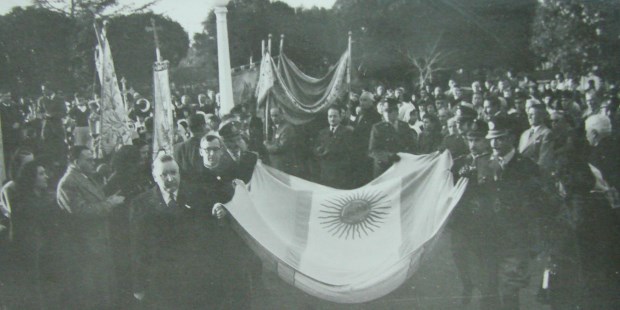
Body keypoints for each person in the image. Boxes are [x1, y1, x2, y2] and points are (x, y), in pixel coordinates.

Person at [130, 154, 226, 309]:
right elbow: (138, 246)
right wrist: (139, 284)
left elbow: (212, 235)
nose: (170, 178)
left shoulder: (199, 195)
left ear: (179, 172)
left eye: (173, 173)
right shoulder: (141, 204)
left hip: (195, 278)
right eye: (164, 174)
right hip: (161, 280)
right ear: (155, 177)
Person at [481, 115, 549, 309]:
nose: (494, 143)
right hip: (491, 238)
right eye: (491, 138)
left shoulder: (526, 167)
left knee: (509, 290)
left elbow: (536, 207)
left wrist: (534, 240)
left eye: (499, 138)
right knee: (490, 289)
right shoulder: (486, 165)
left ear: (511, 138)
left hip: (517, 239)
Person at [56, 146, 125, 309]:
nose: (93, 162)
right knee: (92, 294)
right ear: (75, 162)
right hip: (84, 247)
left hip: (98, 243)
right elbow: (80, 212)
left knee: (104, 292)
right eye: (88, 159)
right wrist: (110, 203)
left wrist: (109, 200)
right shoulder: (69, 183)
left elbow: (93, 203)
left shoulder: (85, 177)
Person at [449, 119, 493, 307]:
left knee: (484, 259)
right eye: (470, 140)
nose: (473, 144)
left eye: (478, 140)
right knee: (459, 253)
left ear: (487, 140)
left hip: (486, 221)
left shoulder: (493, 162)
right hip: (462, 220)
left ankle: (485, 294)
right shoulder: (461, 162)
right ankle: (467, 285)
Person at [7, 160, 60, 309]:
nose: (46, 177)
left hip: (46, 251)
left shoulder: (44, 196)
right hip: (32, 252)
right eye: (41, 174)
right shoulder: (23, 201)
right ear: (31, 178)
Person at [368, 98, 417, 177]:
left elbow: (412, 146)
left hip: (402, 166)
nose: (387, 114)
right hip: (385, 168)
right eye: (385, 111)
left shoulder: (404, 126)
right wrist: (389, 156)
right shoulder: (377, 128)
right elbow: (373, 150)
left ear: (396, 112)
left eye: (390, 111)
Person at [314, 105, 355, 188]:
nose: (332, 119)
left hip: (339, 173)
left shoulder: (346, 132)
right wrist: (319, 151)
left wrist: (330, 151)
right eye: (330, 116)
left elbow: (349, 152)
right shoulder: (322, 132)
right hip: (325, 172)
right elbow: (316, 149)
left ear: (340, 117)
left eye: (335, 116)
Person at [264, 106, 301, 176]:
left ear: (282, 115)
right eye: (272, 116)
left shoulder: (287, 128)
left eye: (276, 115)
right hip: (276, 165)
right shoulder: (275, 128)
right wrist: (268, 143)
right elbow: (275, 143)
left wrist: (267, 146)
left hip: (284, 166)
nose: (274, 118)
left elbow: (280, 147)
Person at [518, 103, 554, 174]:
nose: (529, 116)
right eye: (528, 114)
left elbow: (544, 160)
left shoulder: (546, 133)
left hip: (534, 174)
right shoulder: (524, 134)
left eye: (532, 114)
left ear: (541, 116)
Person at [173, 114, 208, 184]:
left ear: (188, 129)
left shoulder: (176, 147)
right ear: (204, 126)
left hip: (185, 189)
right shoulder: (207, 147)